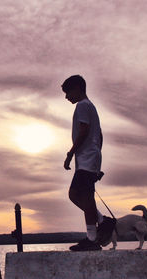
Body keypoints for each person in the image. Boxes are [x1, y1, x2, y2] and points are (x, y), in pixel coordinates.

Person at [61, 75, 105, 251]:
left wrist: (71, 154)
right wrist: (97, 158)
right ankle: (101, 221)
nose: (66, 97)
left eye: (68, 92)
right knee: (76, 195)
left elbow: (84, 130)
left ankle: (92, 239)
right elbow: (100, 134)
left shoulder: (82, 105)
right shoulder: (90, 107)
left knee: (81, 195)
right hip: (90, 159)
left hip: (87, 159)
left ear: (78, 88)